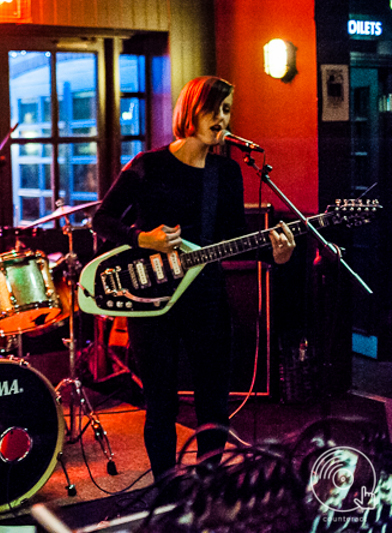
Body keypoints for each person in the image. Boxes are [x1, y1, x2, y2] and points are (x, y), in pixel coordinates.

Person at [92, 76, 296, 483]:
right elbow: (101, 219)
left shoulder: (227, 172)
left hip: (206, 296)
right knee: (162, 402)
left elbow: (234, 238)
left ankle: (207, 483)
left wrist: (276, 254)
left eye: (227, 110)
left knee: (214, 400)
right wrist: (142, 238)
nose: (222, 119)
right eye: (214, 109)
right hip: (150, 298)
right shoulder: (147, 164)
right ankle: (166, 489)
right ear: (191, 111)